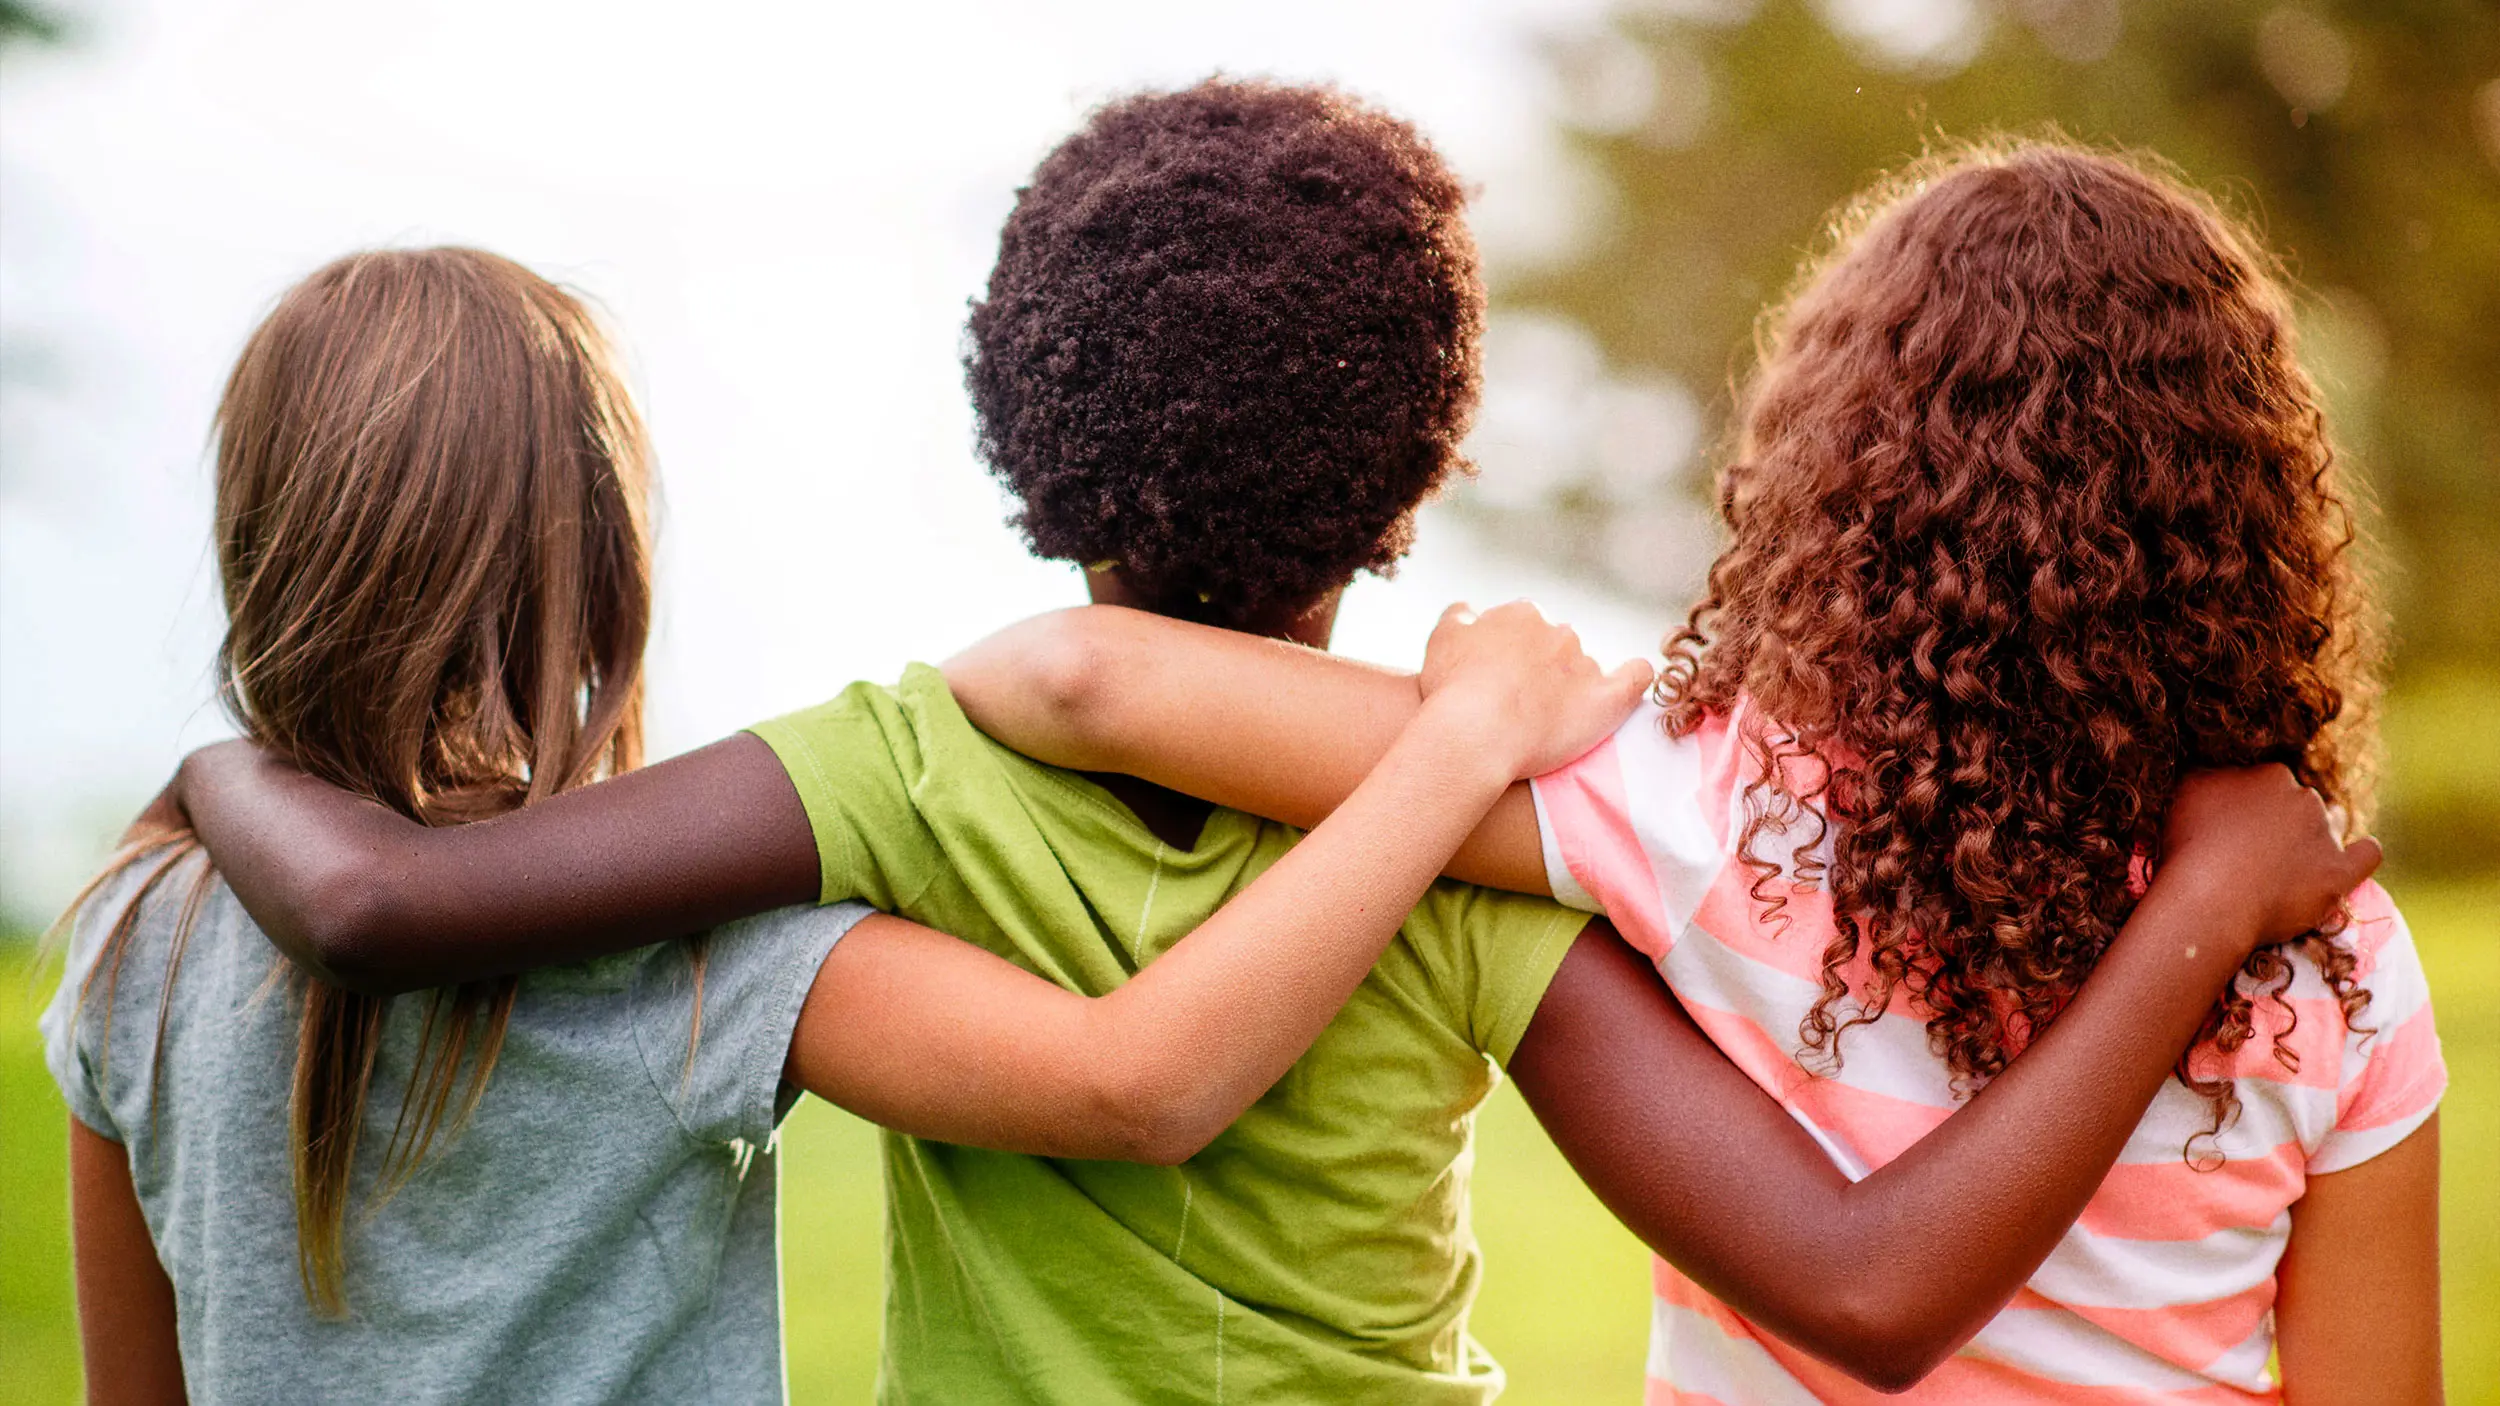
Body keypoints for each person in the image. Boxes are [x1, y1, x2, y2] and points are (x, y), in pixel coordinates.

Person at [163, 96, 2382, 1401]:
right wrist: (1455, 740)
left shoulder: (920, 769)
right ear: (1410, 479)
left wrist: (216, 771)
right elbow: (1849, 1269)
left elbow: (406, 900)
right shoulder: (1492, 834)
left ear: (1021, 438)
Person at [942, 140, 2446, 1402]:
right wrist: (2210, 903)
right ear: (2245, 522)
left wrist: (1473, 720)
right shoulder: (2337, 957)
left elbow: (1086, 676)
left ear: (1840, 483)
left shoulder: (1704, 807)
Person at [41, 245, 1657, 1404]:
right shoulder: (698, 961)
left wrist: (214, 768)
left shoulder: (129, 942)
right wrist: (1454, 746)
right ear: (600, 564)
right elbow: (1139, 1079)